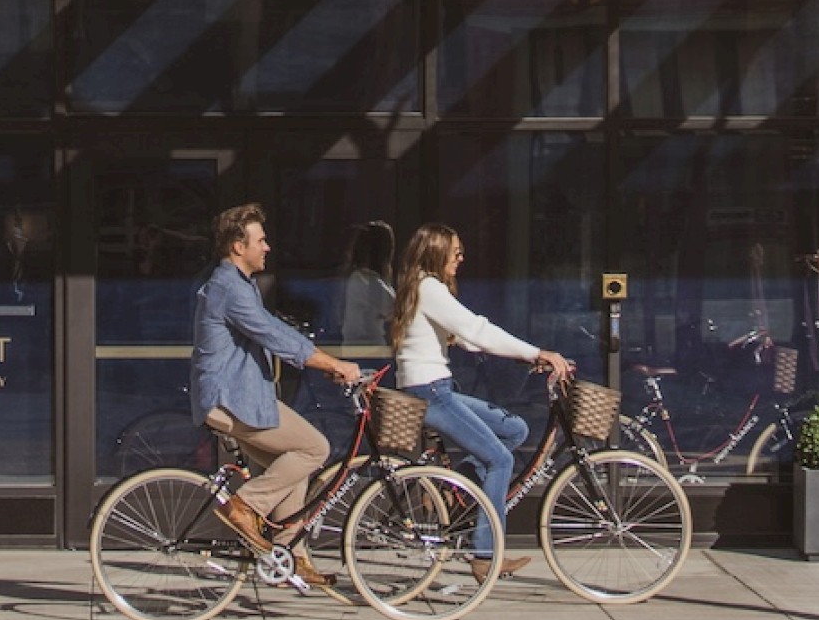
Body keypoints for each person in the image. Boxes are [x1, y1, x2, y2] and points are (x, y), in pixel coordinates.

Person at [190, 202, 361, 596]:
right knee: (314, 448)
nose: (267, 247)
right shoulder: (228, 287)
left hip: (242, 397)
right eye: (260, 240)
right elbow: (271, 333)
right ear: (238, 246)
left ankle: (290, 553)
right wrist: (332, 364)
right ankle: (244, 506)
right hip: (232, 400)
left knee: (292, 467)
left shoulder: (238, 283)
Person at [391, 222, 573, 584]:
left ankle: (452, 487)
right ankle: (485, 555)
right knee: (500, 459)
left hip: (433, 387)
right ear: (437, 252)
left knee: (515, 429)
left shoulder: (424, 287)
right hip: (429, 392)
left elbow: (468, 339)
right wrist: (540, 351)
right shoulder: (429, 288)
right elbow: (478, 330)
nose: (461, 258)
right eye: (456, 252)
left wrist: (526, 357)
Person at [339, 219, 395, 354]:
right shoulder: (368, 283)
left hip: (352, 350)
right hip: (369, 352)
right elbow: (395, 309)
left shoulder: (354, 278)